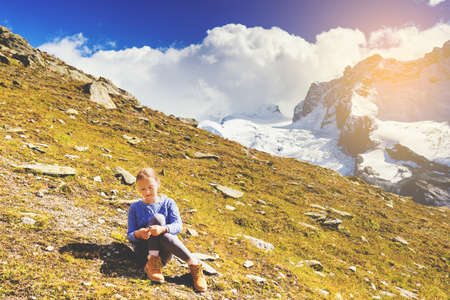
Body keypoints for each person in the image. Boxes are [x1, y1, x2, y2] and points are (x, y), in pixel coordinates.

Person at [127, 167, 207, 292]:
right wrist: (138, 234)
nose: (147, 192)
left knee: (164, 232)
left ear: (158, 183)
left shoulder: (168, 203)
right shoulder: (135, 207)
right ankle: (152, 262)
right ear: (138, 189)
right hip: (144, 252)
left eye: (151, 187)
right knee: (158, 218)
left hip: (164, 253)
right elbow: (129, 235)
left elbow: (178, 226)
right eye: (142, 189)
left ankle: (194, 265)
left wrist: (163, 229)